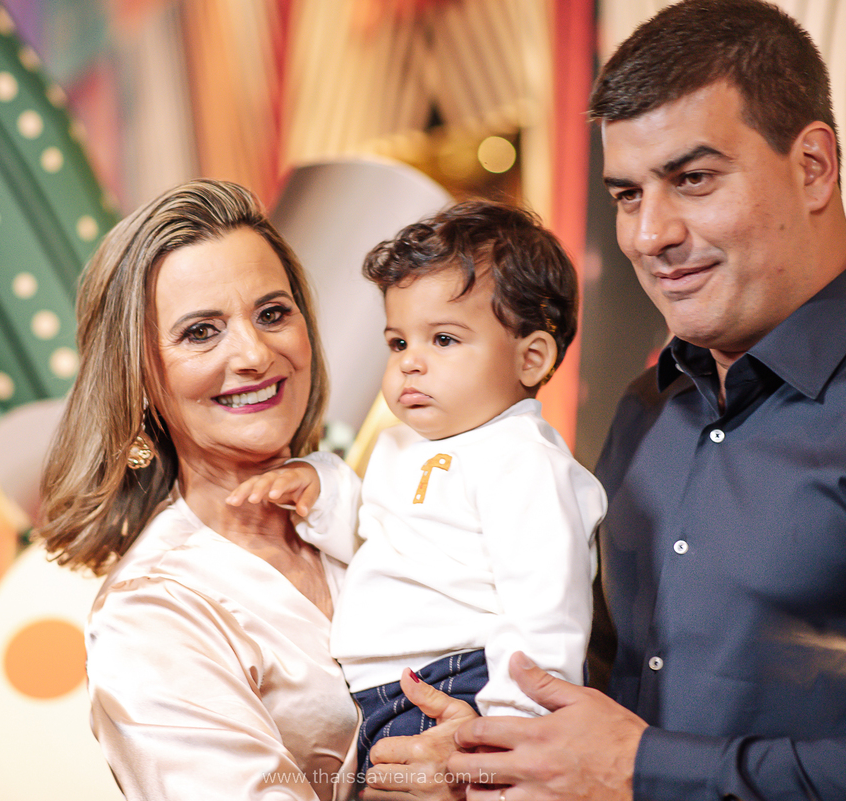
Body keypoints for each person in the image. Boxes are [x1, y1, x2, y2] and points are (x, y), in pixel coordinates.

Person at [375, 1, 846, 798]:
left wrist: (645, 769)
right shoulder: (647, 407)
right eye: (627, 194)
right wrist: (483, 748)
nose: (649, 234)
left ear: (813, 167)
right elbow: (589, 696)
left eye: (692, 179)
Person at [230, 201, 605, 774]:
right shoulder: (404, 446)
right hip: (383, 694)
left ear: (531, 358)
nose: (410, 363)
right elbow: (372, 540)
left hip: (461, 685)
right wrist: (320, 489)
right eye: (398, 343)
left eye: (444, 340)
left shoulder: (525, 460)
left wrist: (512, 734)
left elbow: (546, 609)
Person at [36, 179, 362, 801]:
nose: (254, 353)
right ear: (138, 377)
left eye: (272, 314)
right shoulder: (150, 614)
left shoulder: (379, 508)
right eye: (200, 332)